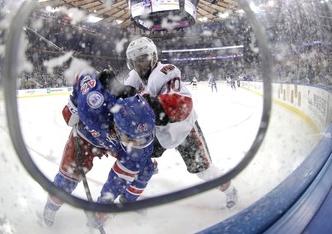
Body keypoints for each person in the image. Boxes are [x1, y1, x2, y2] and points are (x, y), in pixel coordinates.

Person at [124, 37, 238, 209]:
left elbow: (180, 105)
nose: (140, 66)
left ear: (154, 57)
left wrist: (145, 105)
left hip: (183, 129)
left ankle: (230, 190)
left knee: (204, 171)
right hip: (158, 131)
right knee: (137, 155)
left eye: (143, 60)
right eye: (136, 62)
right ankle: (151, 165)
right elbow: (122, 99)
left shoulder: (166, 72)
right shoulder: (134, 77)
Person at [43, 69, 156, 228]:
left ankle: (127, 201)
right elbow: (83, 73)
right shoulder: (93, 102)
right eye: (131, 139)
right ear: (117, 125)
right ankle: (51, 205)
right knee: (68, 176)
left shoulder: (141, 141)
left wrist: (103, 206)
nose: (137, 144)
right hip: (86, 137)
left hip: (113, 143)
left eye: (143, 138)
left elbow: (119, 178)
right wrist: (74, 104)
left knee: (145, 169)